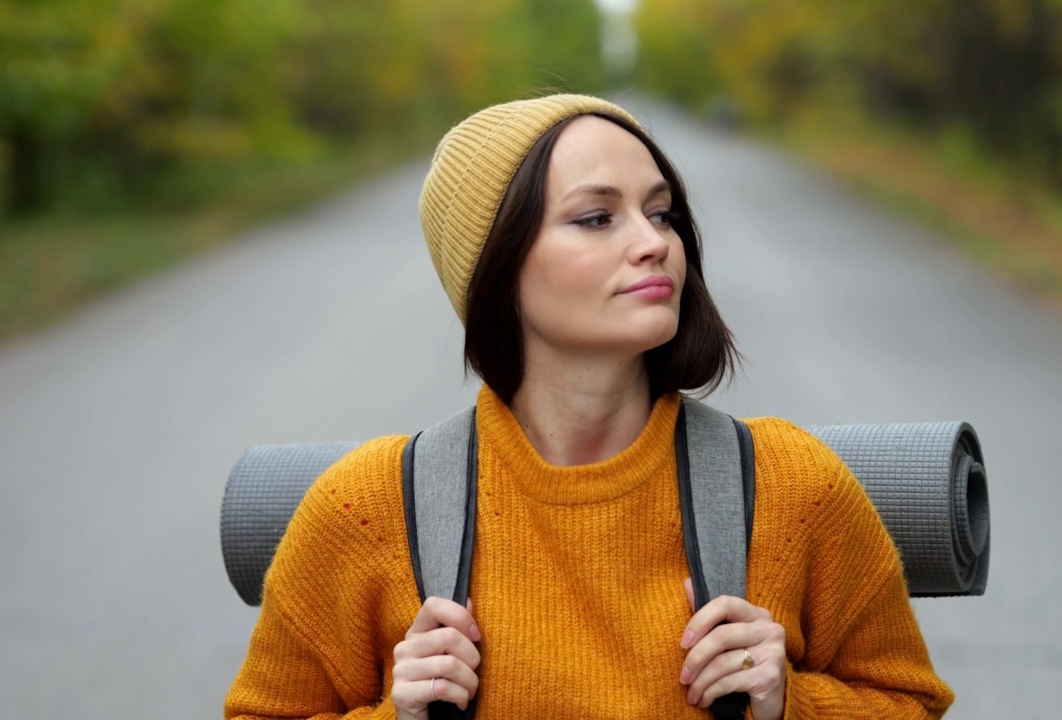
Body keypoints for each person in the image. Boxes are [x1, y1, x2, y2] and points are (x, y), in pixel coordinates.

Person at [225, 94, 954, 719]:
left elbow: (909, 702)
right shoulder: (365, 510)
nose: (653, 244)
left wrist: (790, 703)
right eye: (597, 219)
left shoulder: (792, 486)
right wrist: (399, 714)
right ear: (496, 265)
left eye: (661, 213)